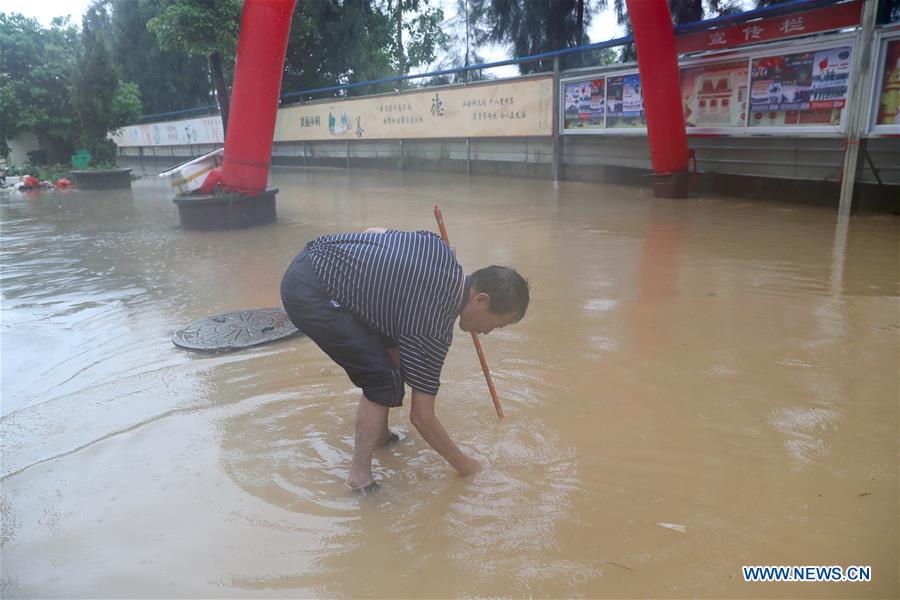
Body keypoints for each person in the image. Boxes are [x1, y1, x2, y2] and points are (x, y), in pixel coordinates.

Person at [280, 227, 529, 492]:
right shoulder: (433, 323)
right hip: (310, 293)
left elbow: (374, 231)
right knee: (383, 380)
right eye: (496, 324)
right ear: (480, 300)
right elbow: (422, 417)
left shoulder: (439, 248)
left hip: (316, 256)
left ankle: (381, 436)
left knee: (395, 345)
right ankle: (359, 477)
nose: (488, 332)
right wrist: (466, 466)